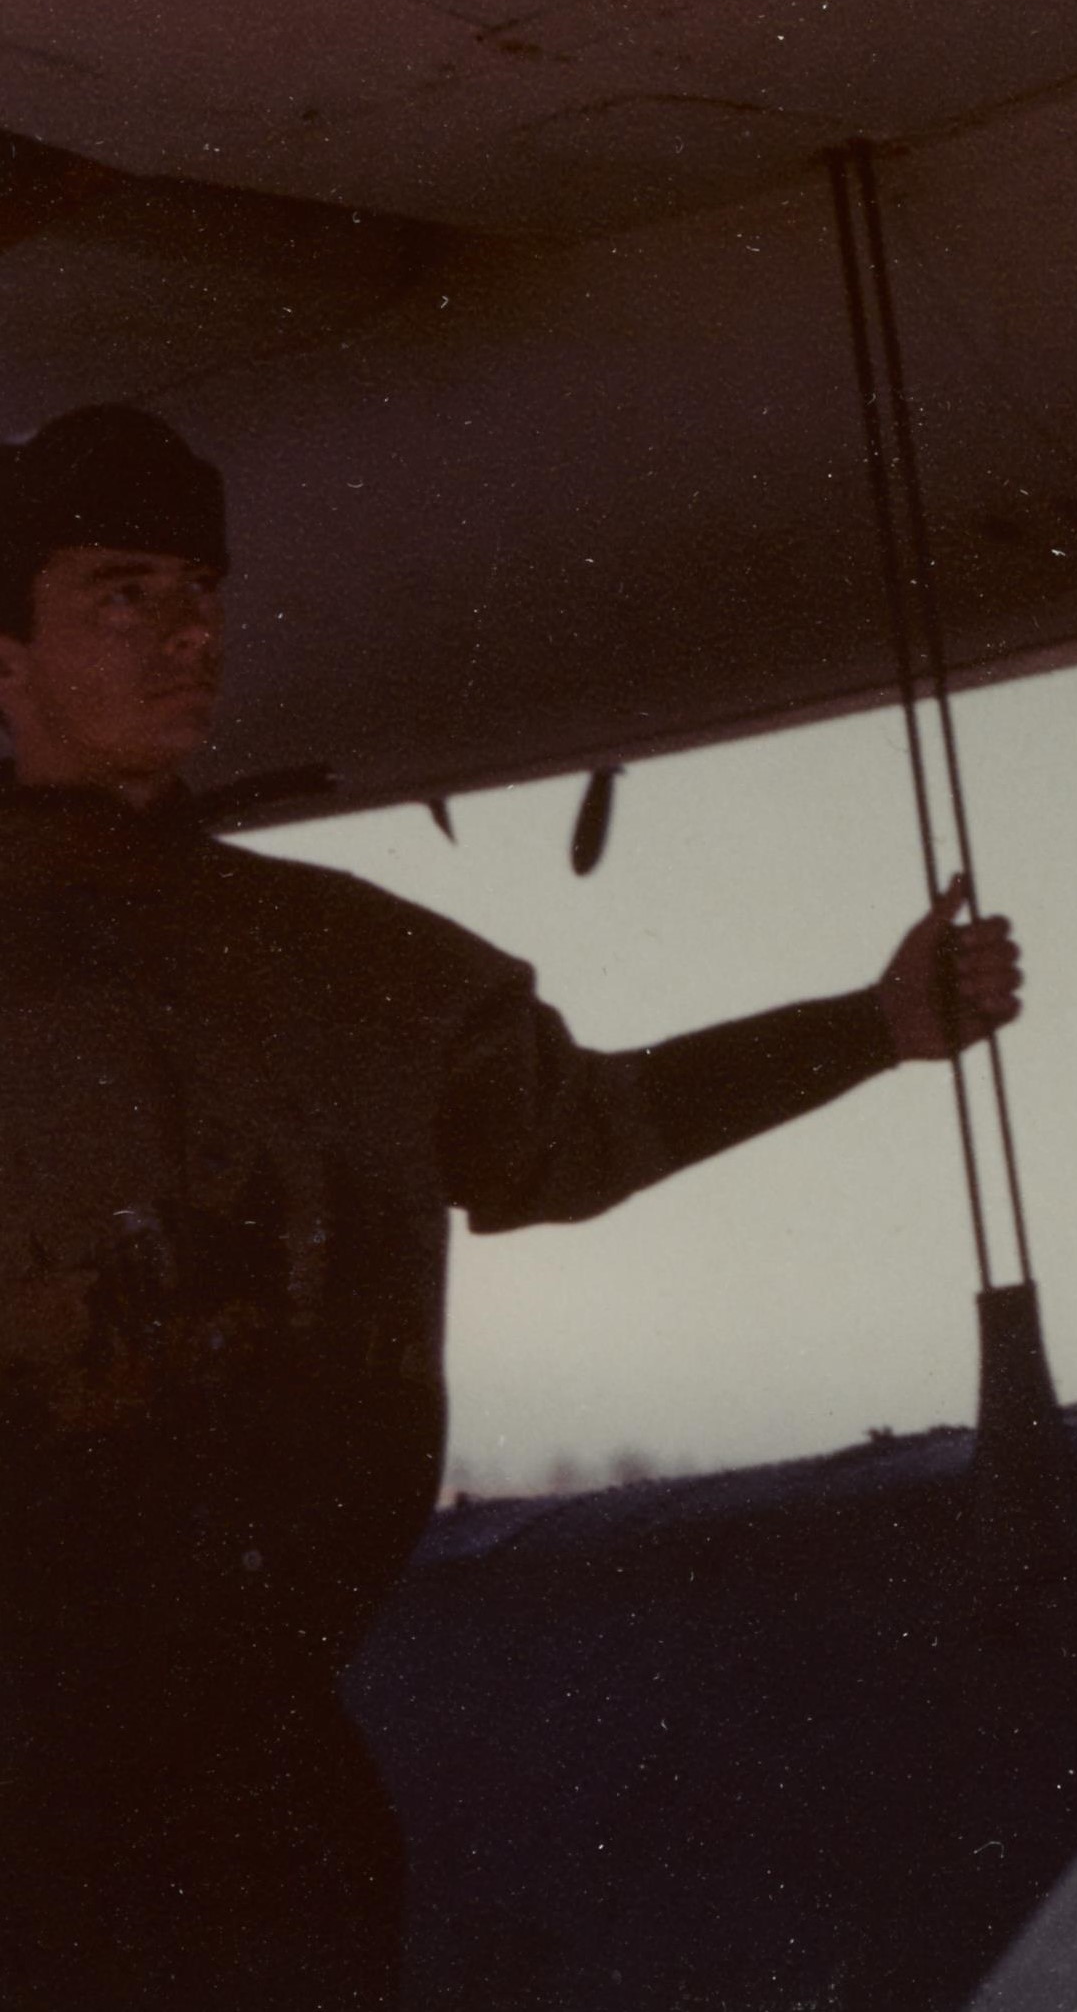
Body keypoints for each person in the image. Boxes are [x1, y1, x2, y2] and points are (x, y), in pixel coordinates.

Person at [0, 402, 1021, 2012]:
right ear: (6, 649)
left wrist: (872, 1029)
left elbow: (573, 1137)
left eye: (200, 591)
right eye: (121, 590)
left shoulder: (360, 964)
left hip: (261, 1772)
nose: (184, 632)